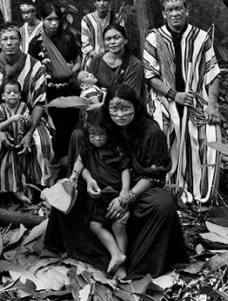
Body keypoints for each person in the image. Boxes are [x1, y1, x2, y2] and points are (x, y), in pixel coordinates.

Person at [47, 84, 188, 279]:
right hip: (100, 184)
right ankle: (91, 252)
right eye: (114, 109)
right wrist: (87, 180)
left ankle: (137, 265)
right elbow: (85, 149)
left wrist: (127, 197)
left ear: (136, 107)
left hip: (138, 187)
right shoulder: (103, 124)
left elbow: (155, 176)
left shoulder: (150, 131)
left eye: (126, 109)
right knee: (66, 192)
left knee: (163, 204)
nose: (120, 115)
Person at [143, 0, 221, 204]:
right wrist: (174, 95)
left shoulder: (201, 37)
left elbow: (212, 72)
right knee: (161, 128)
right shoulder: (154, 38)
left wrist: (212, 106)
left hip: (195, 97)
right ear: (163, 14)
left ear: (187, 11)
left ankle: (201, 191)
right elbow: (150, 76)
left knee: (210, 133)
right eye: (170, 10)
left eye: (179, 9)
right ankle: (166, 189)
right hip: (164, 98)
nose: (175, 13)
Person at [0, 22, 52, 193]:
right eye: (5, 39)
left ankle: (40, 188)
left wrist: (28, 133)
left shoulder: (35, 66)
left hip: (29, 119)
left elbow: (40, 102)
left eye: (13, 38)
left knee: (42, 142)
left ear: (20, 41)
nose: (9, 43)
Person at [75, 116, 131, 277]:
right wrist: (88, 180)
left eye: (101, 136)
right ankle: (116, 254)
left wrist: (125, 191)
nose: (97, 139)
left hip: (116, 194)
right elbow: (83, 165)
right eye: (93, 136)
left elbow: (125, 169)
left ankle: (121, 267)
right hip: (100, 194)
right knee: (95, 225)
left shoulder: (115, 148)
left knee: (119, 226)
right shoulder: (87, 147)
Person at [28, 2, 82, 164]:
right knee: (55, 127)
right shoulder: (36, 42)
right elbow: (32, 69)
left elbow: (78, 61)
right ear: (42, 20)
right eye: (49, 19)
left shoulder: (67, 38)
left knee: (71, 126)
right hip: (48, 93)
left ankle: (72, 161)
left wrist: (68, 72)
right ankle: (57, 162)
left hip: (69, 90)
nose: (53, 23)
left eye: (56, 19)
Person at [0, 78, 32, 204]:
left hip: (20, 143)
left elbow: (29, 124)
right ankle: (0, 192)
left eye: (15, 92)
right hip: (6, 146)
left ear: (20, 95)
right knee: (4, 168)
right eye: (9, 92)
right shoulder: (1, 108)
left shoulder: (23, 106)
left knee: (20, 169)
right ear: (3, 96)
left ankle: (19, 190)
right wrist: (12, 119)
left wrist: (27, 120)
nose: (12, 94)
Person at [88, 24, 147, 106]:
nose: (112, 42)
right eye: (108, 39)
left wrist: (101, 106)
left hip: (124, 111)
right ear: (104, 42)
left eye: (116, 38)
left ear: (125, 40)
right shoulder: (96, 61)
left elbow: (130, 96)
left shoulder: (135, 65)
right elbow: (88, 86)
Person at [80, 0, 122, 68]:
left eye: (105, 0)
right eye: (98, 0)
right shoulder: (87, 20)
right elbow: (86, 44)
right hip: (92, 61)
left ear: (109, 2)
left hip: (114, 59)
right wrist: (99, 58)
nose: (101, 3)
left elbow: (121, 40)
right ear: (94, 2)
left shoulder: (117, 18)